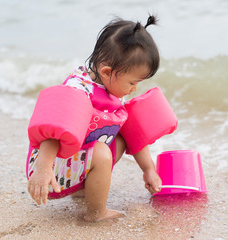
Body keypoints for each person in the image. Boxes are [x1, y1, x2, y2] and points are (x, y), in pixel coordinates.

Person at [27, 15, 163, 222]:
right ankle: (96, 213)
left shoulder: (112, 88)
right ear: (107, 72)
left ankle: (85, 190)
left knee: (121, 137)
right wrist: (43, 169)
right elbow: (55, 131)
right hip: (51, 171)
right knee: (100, 151)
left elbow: (134, 134)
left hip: (72, 166)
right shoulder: (78, 90)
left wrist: (149, 170)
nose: (135, 89)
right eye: (133, 83)